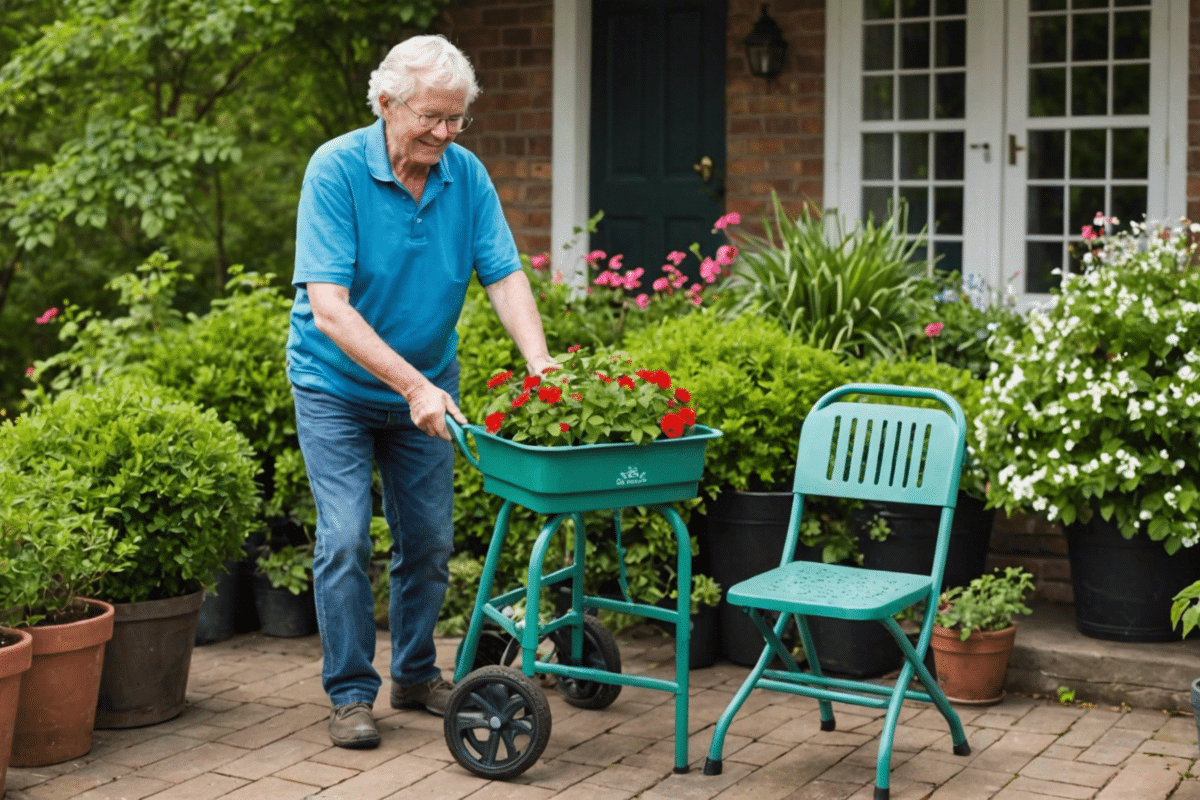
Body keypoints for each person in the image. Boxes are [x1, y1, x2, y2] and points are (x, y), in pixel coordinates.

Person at [286, 34, 557, 750]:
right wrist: (412, 385)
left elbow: (502, 274)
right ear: (386, 103)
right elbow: (331, 307)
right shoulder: (336, 169)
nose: (444, 133)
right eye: (432, 117)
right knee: (344, 538)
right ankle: (349, 693)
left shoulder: (464, 177)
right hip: (336, 385)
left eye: (456, 119)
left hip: (427, 385)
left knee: (430, 541)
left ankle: (414, 673)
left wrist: (540, 364)